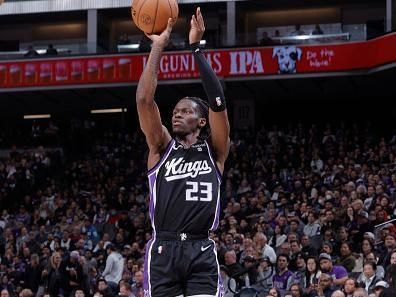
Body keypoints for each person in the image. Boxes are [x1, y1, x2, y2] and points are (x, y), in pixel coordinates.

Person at [136, 6, 230, 297]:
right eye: (175, 111)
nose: (176, 115)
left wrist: (196, 49)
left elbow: (217, 102)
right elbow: (143, 99)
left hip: (201, 247)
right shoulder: (161, 145)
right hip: (164, 249)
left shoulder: (215, 150)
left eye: (185, 111)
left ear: (201, 121)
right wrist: (158, 47)